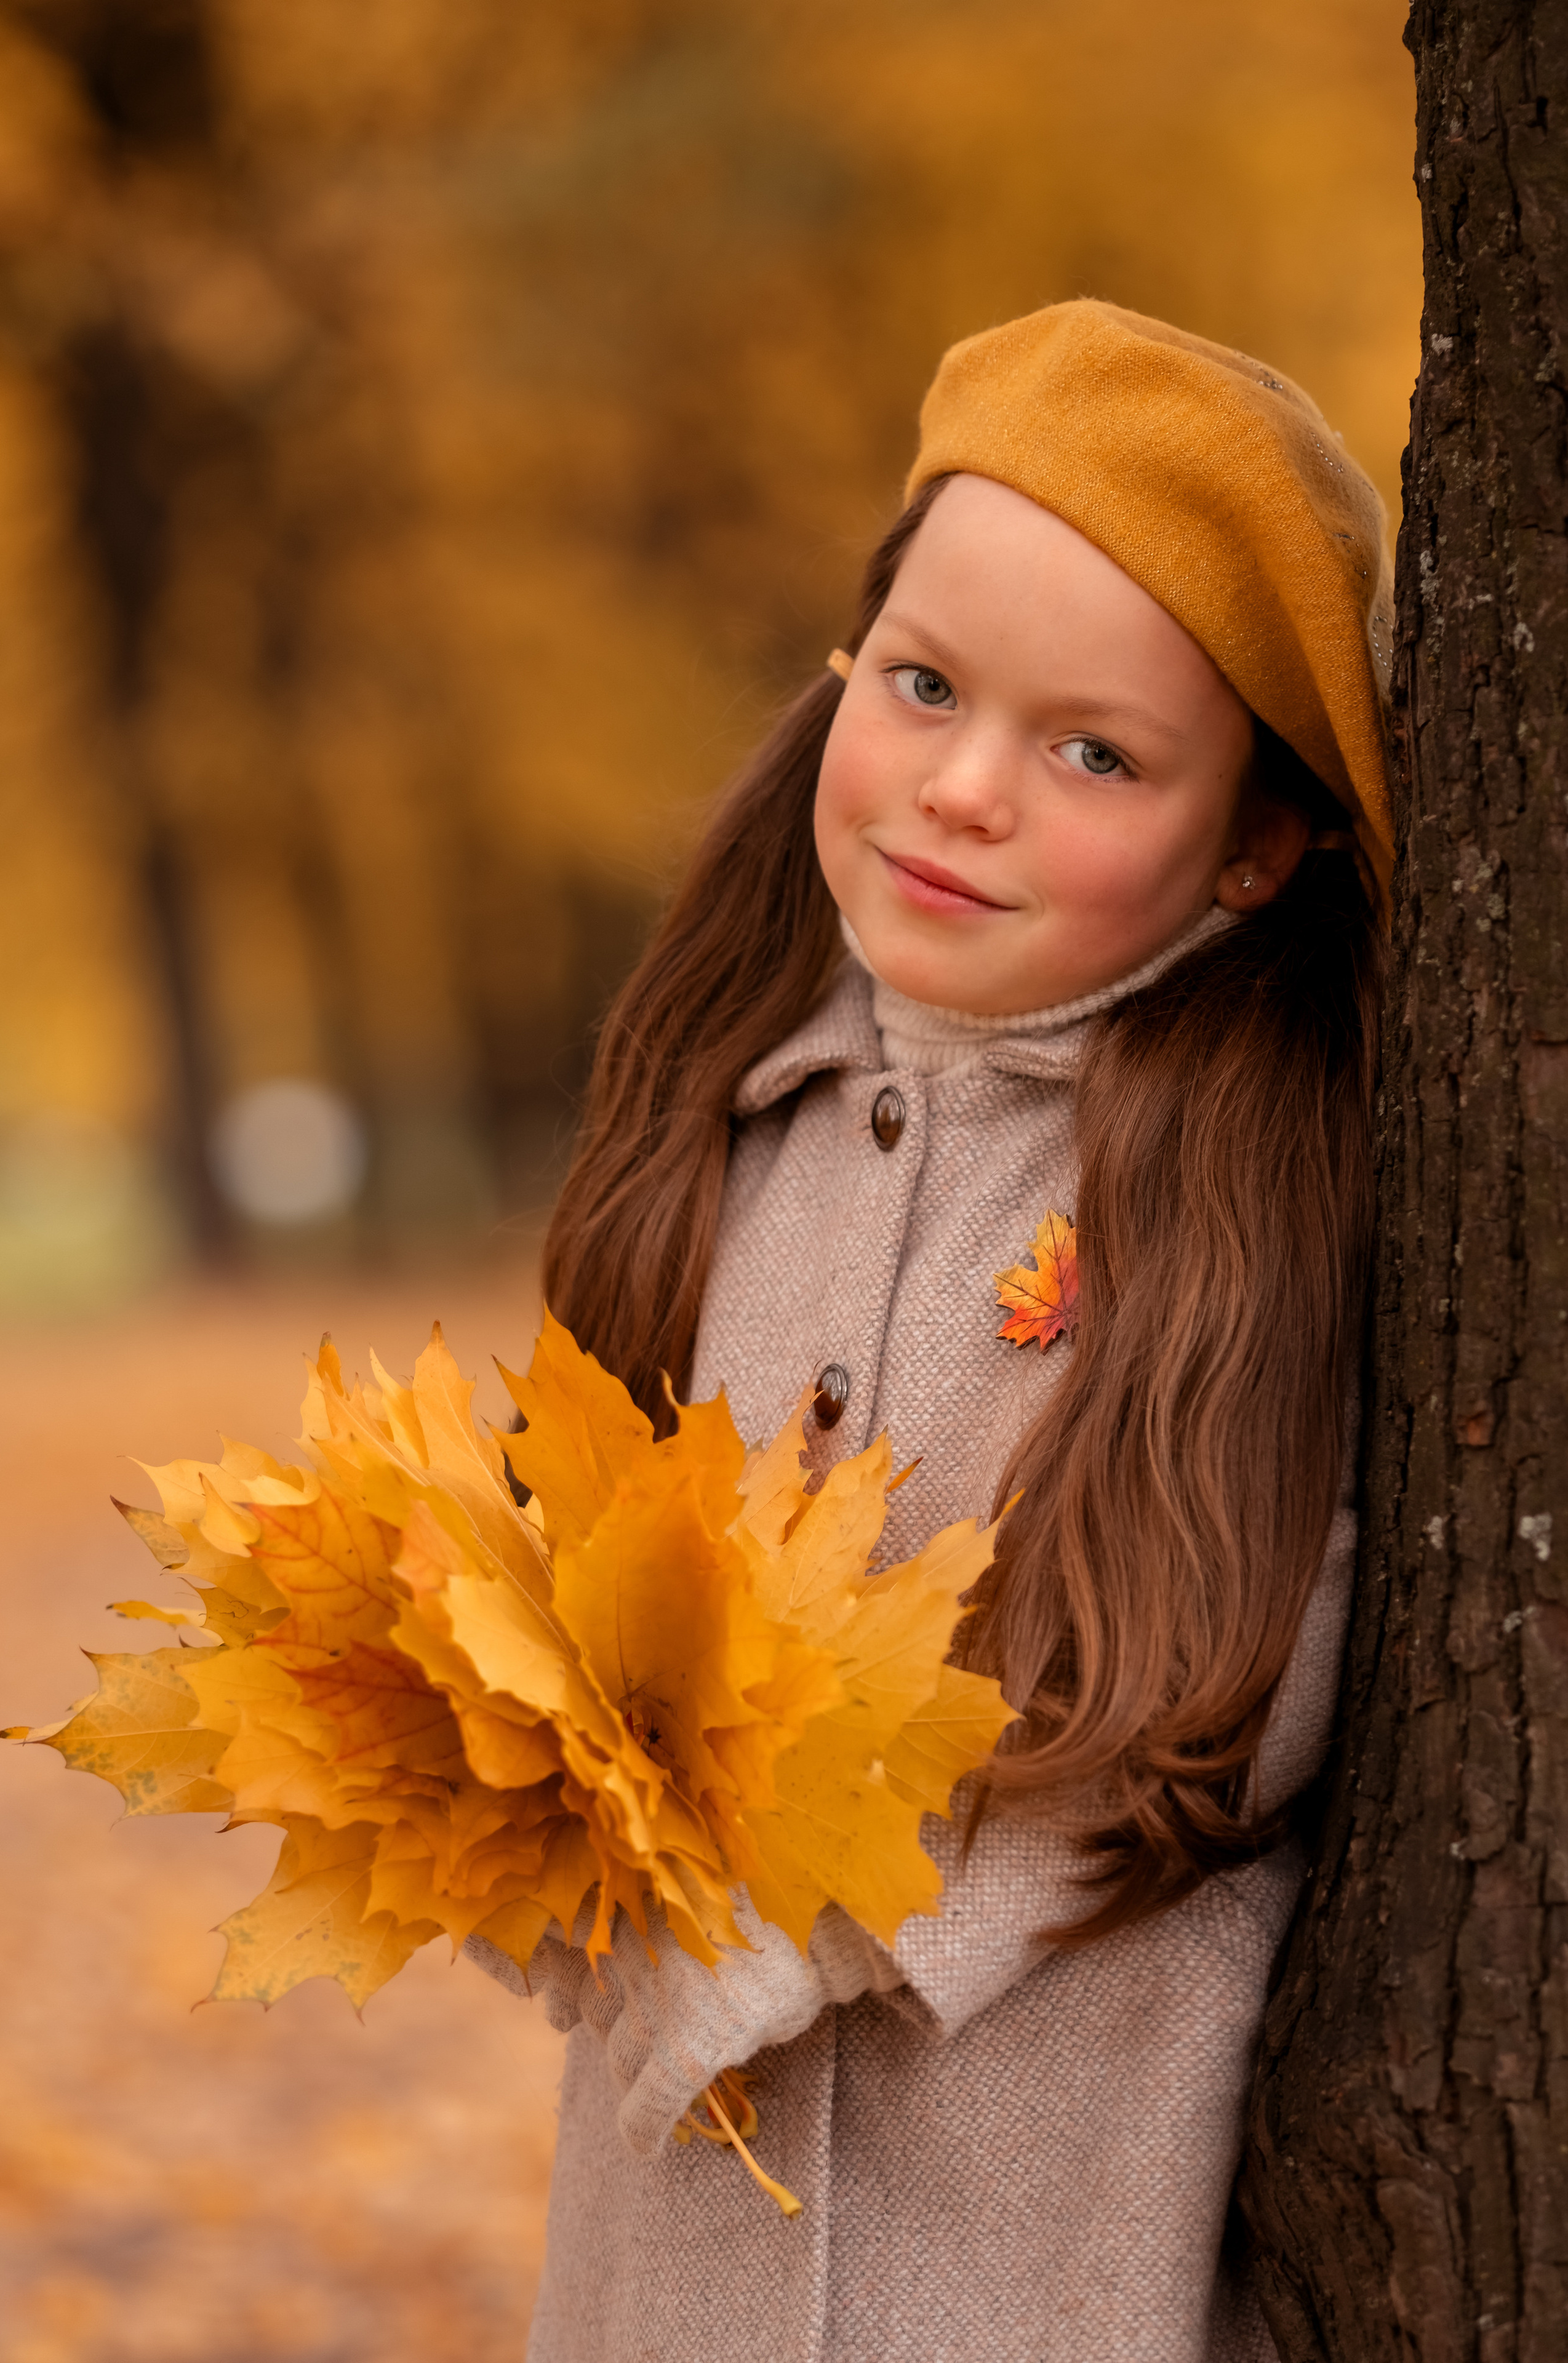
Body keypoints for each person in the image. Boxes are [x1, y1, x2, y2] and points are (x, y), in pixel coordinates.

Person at [467, 298, 1393, 2362]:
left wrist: (825, 1918)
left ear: (1254, 846)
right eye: (924, 686)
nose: (964, 788)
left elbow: (1236, 1678)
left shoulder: (1228, 1207)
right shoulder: (727, 1125)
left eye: (1093, 752)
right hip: (675, 2231)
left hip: (1025, 2240)